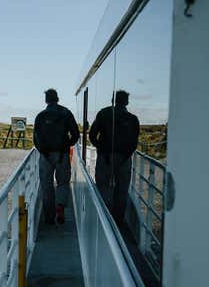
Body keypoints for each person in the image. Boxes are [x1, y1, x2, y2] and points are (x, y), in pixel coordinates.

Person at [89, 90, 140, 226]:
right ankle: (118, 221)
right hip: (124, 159)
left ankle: (104, 220)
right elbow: (134, 143)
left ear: (113, 100)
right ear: (126, 102)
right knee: (122, 190)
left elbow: (92, 135)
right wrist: (124, 156)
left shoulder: (103, 113)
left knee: (103, 186)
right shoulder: (132, 119)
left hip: (105, 157)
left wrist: (101, 150)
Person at [33, 88, 80, 224]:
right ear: (57, 98)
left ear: (46, 99)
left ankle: (49, 217)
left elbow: (36, 138)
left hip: (46, 156)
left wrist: (44, 151)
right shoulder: (66, 113)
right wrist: (66, 146)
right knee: (63, 182)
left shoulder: (41, 116)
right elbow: (75, 134)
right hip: (62, 155)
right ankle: (60, 205)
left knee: (46, 185)